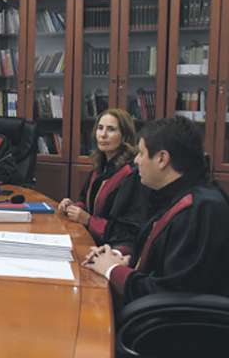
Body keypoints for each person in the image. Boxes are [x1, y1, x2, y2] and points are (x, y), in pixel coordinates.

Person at [82, 115, 229, 308]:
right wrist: (126, 260)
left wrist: (112, 269)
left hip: (164, 320)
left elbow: (170, 294)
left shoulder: (196, 209)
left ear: (162, 159)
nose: (136, 160)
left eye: (141, 153)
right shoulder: (179, 193)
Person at [57, 109, 142, 245]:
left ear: (125, 136)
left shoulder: (130, 174)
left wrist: (89, 220)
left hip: (113, 248)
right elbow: (87, 201)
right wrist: (73, 208)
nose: (103, 135)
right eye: (100, 128)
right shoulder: (101, 166)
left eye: (111, 129)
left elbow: (127, 231)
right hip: (92, 239)